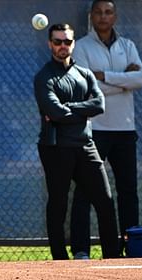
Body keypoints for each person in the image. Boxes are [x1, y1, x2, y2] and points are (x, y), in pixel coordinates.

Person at [33, 23, 119, 260]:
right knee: (58, 204)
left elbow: (98, 105)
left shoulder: (85, 73)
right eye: (58, 41)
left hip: (85, 145)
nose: (63, 46)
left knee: (105, 200)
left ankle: (113, 254)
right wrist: (77, 110)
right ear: (50, 44)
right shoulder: (44, 77)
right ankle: (60, 258)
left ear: (73, 43)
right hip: (56, 148)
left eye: (67, 41)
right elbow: (54, 112)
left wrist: (67, 108)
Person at [70, 0, 142, 258]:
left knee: (128, 192)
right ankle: (81, 249)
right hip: (94, 130)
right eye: (99, 12)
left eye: (108, 12)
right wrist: (124, 80)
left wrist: (104, 76)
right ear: (91, 16)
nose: (103, 16)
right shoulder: (80, 47)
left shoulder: (128, 46)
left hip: (126, 131)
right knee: (84, 191)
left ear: (115, 16)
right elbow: (85, 87)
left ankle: (133, 246)